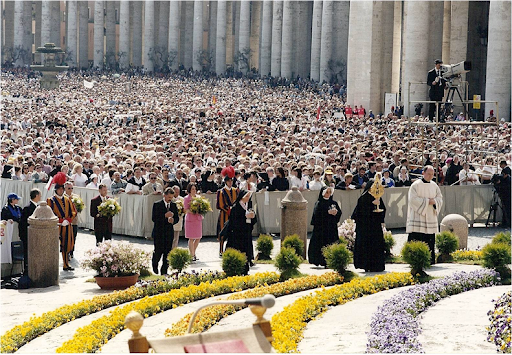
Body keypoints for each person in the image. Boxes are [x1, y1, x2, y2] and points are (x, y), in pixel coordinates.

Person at [406, 166, 443, 265]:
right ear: (423, 173)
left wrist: (434, 201)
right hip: (419, 216)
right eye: (428, 174)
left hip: (430, 215)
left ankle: (429, 260)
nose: (430, 176)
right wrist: (427, 202)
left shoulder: (434, 185)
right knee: (417, 237)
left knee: (429, 239)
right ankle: (414, 260)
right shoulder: (416, 185)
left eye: (432, 174)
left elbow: (440, 198)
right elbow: (412, 199)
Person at [352, 180, 386, 272]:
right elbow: (359, 213)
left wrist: (380, 211)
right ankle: (367, 265)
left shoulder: (378, 197)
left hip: (375, 226)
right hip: (365, 228)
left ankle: (377, 266)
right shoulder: (363, 198)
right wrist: (372, 205)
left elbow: (383, 209)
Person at [47, 172, 77, 271]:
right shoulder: (50, 200)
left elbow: (73, 212)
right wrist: (60, 221)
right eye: (59, 189)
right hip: (56, 226)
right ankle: (51, 266)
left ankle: (66, 264)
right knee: (54, 246)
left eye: (62, 189)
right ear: (56, 190)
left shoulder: (67, 199)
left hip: (67, 225)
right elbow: (49, 213)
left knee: (67, 245)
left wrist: (68, 220)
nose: (61, 191)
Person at [308, 186, 342, 267]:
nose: (328, 194)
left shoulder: (334, 203)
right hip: (322, 229)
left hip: (331, 228)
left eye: (330, 192)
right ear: (323, 193)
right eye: (327, 192)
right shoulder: (319, 203)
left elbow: (339, 213)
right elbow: (317, 215)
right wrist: (327, 213)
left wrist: (336, 213)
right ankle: (321, 260)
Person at [224, 190, 257, 273]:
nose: (248, 198)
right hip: (237, 234)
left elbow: (253, 218)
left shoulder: (248, 205)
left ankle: (246, 269)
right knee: (239, 251)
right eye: (246, 196)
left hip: (246, 233)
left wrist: (253, 216)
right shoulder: (236, 207)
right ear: (242, 197)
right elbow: (234, 221)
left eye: (249, 196)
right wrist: (245, 217)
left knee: (246, 251)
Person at [151, 187, 179, 275]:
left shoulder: (174, 205)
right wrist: (164, 216)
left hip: (169, 233)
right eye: (169, 197)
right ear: (164, 195)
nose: (170, 199)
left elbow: (177, 218)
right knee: (158, 251)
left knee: (167, 253)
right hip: (159, 232)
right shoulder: (157, 204)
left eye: (172, 197)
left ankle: (164, 271)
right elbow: (154, 218)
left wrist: (173, 220)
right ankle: (154, 264)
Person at [19, 189, 41, 272]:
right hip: (28, 235)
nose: (40, 197)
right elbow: (23, 223)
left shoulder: (37, 207)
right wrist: (23, 236)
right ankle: (27, 270)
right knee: (27, 254)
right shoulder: (27, 208)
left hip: (35, 236)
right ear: (36, 196)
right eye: (39, 195)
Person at [216, 176, 239, 257]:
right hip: (224, 214)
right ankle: (221, 250)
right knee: (223, 231)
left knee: (234, 232)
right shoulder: (221, 191)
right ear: (225, 182)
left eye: (231, 181)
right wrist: (229, 210)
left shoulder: (235, 190)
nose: (230, 182)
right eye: (229, 181)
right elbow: (220, 204)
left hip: (234, 215)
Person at [183, 182, 202, 261]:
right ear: (189, 190)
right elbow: (185, 209)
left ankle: (193, 253)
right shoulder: (186, 198)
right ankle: (192, 255)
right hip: (190, 219)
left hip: (197, 219)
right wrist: (193, 211)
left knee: (198, 237)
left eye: (195, 189)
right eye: (192, 189)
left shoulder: (199, 198)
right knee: (191, 238)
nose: (194, 190)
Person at [64, 182, 79, 258]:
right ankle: (66, 251)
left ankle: (72, 251)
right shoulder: (62, 197)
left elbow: (80, 207)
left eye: (72, 188)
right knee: (66, 238)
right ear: (65, 189)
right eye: (69, 188)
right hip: (66, 221)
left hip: (74, 221)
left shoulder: (76, 197)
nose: (70, 190)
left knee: (74, 236)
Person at [171, 185, 184, 250]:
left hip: (179, 219)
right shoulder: (170, 198)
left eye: (178, 192)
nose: (177, 193)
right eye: (175, 192)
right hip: (171, 219)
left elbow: (184, 209)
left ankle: (174, 249)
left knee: (176, 237)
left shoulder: (181, 199)